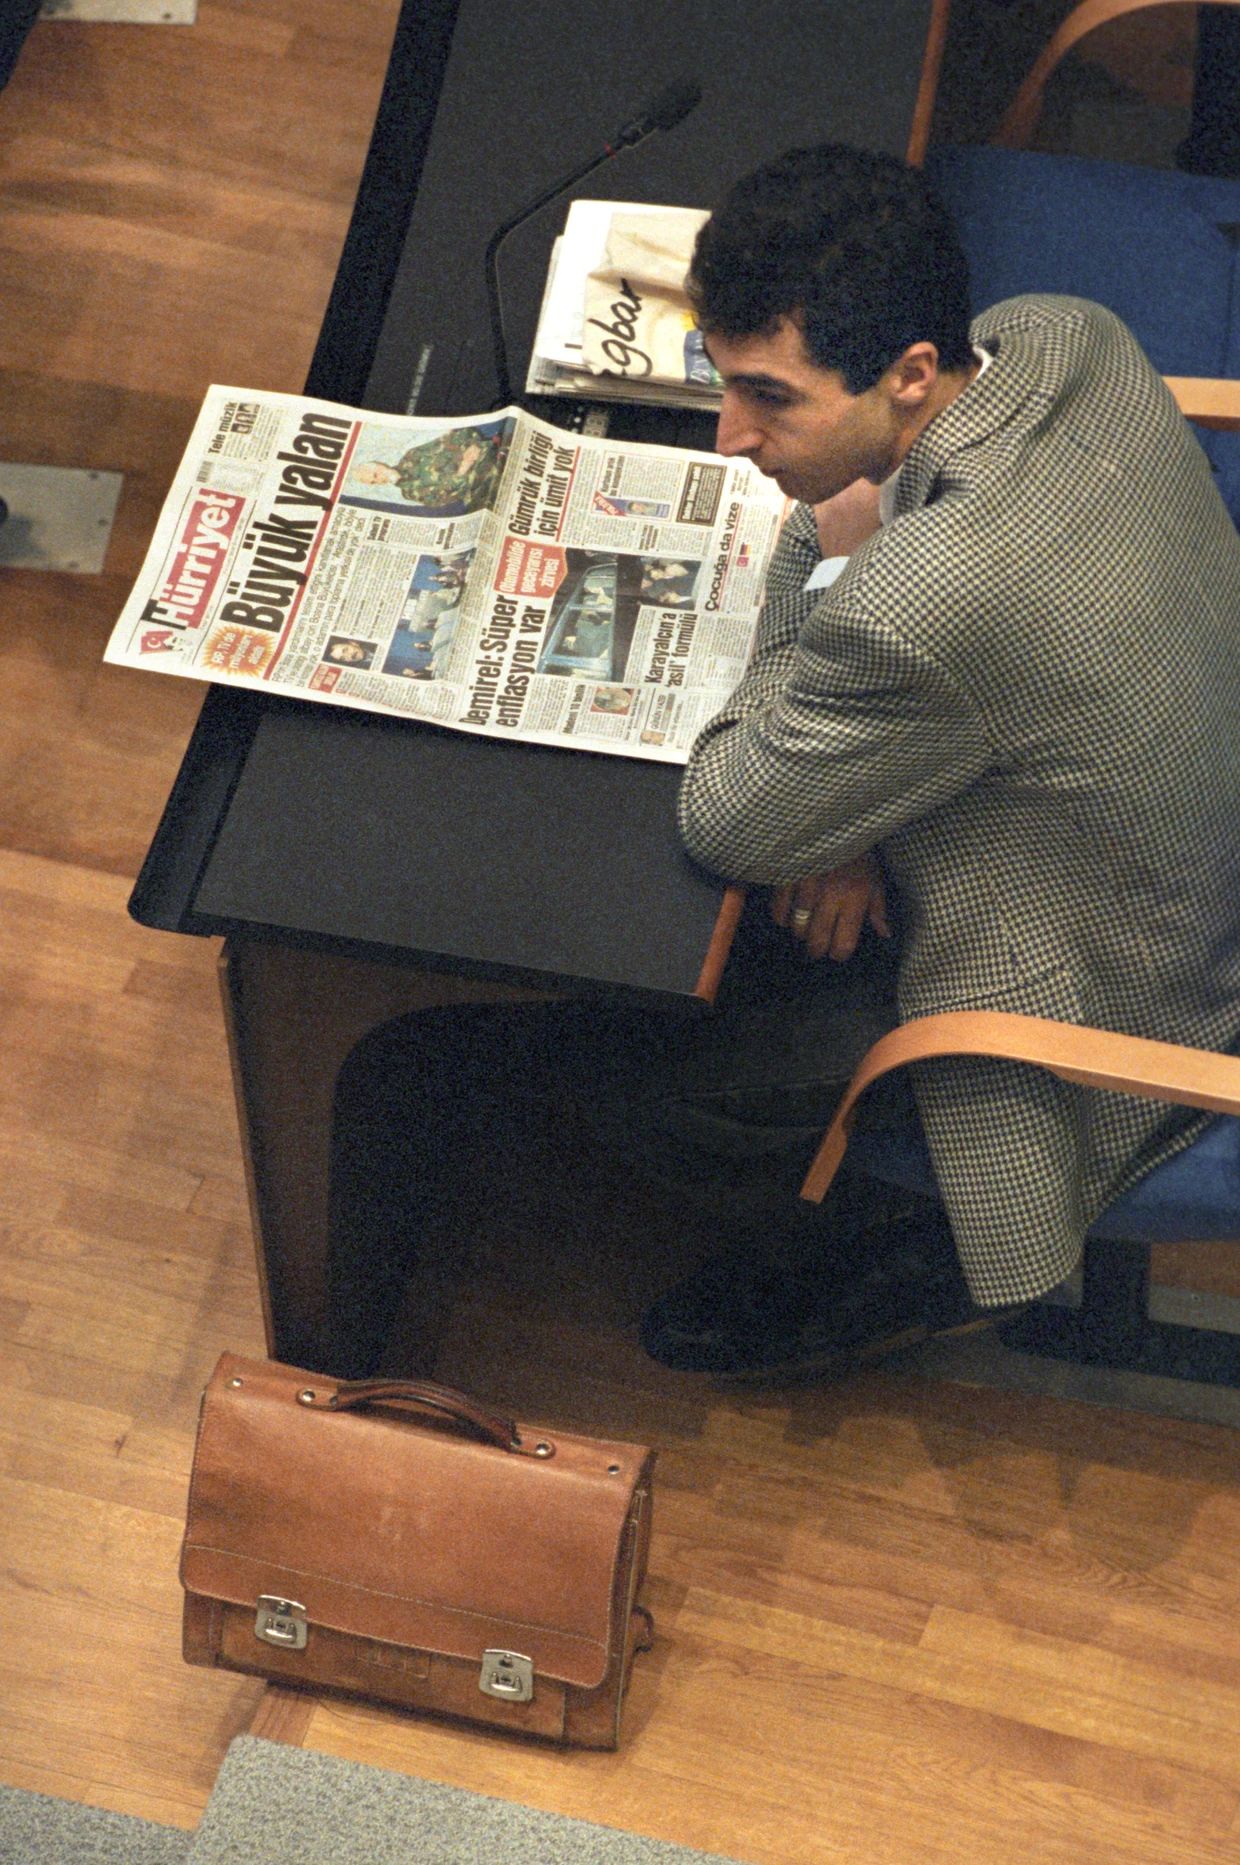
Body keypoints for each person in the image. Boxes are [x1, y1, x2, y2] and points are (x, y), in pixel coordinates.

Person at [327, 143, 1240, 1383]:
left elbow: (736, 821)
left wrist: (818, 549)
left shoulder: (929, 595)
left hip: (1101, 1000)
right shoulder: (1059, 337)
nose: (730, 437)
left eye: (771, 399)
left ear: (914, 373)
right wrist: (856, 807)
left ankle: (911, 1259)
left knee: (665, 1080)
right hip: (1172, 797)